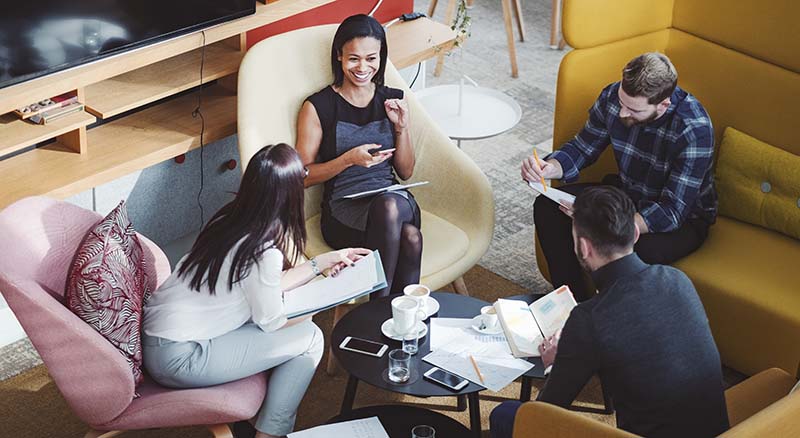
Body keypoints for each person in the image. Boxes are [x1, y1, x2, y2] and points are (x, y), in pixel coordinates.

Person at [142, 144, 370, 438]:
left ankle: (264, 426)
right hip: (180, 358)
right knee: (311, 337)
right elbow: (271, 321)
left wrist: (319, 264)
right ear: (290, 193)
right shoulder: (263, 250)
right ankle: (270, 433)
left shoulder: (229, 220)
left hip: (166, 340)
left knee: (300, 334)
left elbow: (265, 285)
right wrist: (326, 299)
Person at [490, 186, 729, 438]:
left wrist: (553, 365)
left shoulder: (589, 318)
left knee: (506, 415)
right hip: (720, 433)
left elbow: (544, 414)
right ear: (635, 233)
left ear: (584, 248)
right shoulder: (677, 279)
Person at [523, 52, 717, 301]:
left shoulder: (693, 129)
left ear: (663, 105)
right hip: (628, 194)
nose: (622, 113)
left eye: (633, 109)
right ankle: (571, 304)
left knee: (633, 251)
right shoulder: (614, 97)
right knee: (547, 206)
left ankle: (607, 319)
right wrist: (550, 167)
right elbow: (584, 147)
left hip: (682, 219)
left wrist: (609, 224)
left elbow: (672, 211)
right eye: (622, 102)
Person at [296, 14, 421, 297]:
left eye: (371, 58)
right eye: (353, 58)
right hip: (344, 213)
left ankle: (375, 313)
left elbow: (406, 172)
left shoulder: (392, 98)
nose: (363, 68)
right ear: (339, 55)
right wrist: (348, 160)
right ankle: (400, 324)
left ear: (381, 57)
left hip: (395, 203)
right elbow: (300, 176)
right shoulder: (318, 107)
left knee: (389, 206)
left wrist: (401, 129)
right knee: (411, 238)